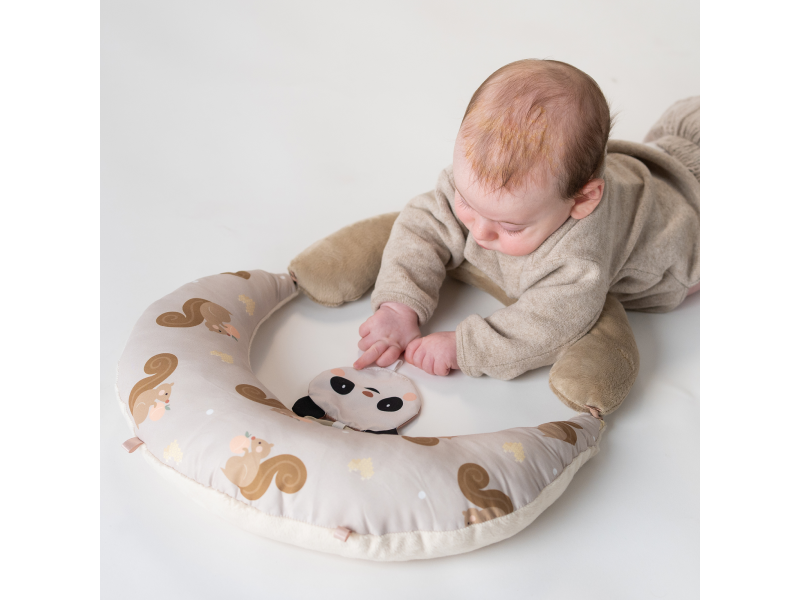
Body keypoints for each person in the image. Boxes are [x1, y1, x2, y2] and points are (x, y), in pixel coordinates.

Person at [353, 59, 699, 379]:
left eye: (510, 226)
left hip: (690, 225)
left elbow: (550, 324)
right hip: (656, 161)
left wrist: (465, 348)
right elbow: (421, 225)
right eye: (466, 202)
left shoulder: (579, 256)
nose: (480, 232)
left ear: (582, 200)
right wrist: (398, 307)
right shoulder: (481, 181)